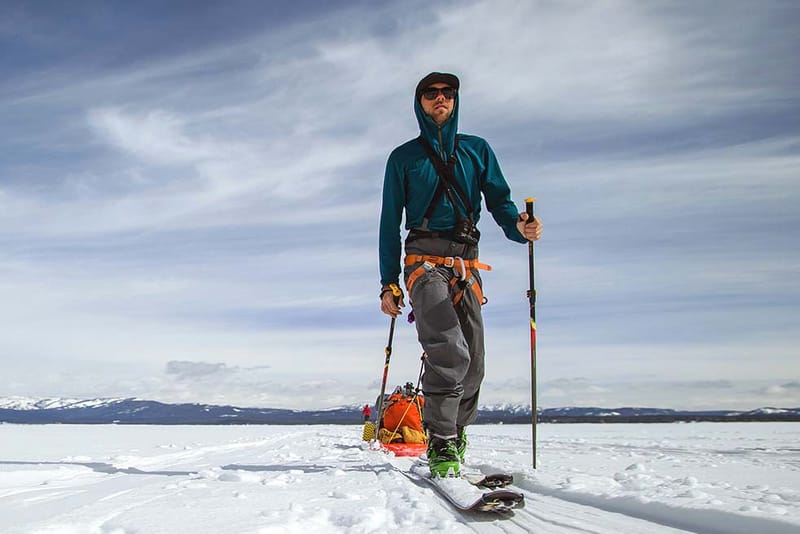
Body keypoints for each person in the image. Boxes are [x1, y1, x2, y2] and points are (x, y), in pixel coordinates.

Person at [378, 72, 542, 478]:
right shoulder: (403, 158)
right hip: (422, 263)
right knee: (449, 350)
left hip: (467, 265)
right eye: (431, 93)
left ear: (455, 101)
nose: (440, 99)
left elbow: (501, 203)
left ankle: (457, 433)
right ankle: (441, 442)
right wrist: (388, 282)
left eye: (447, 93)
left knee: (475, 362)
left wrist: (519, 230)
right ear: (419, 102)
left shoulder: (477, 150)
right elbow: (388, 224)